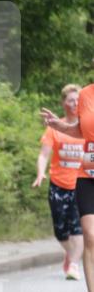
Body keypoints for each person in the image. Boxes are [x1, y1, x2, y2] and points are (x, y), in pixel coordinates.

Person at [42, 76, 94, 292]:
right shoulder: (86, 95)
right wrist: (59, 126)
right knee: (89, 234)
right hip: (88, 175)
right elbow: (82, 131)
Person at [32, 84, 84, 280]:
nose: (74, 103)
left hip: (82, 185)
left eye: (77, 99)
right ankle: (71, 255)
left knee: (78, 227)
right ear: (63, 103)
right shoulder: (54, 128)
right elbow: (44, 155)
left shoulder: (87, 126)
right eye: (70, 100)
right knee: (60, 230)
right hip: (58, 185)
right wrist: (40, 173)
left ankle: (74, 265)